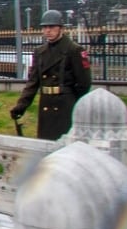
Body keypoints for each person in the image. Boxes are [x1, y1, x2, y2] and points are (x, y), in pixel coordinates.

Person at [9, 9, 91, 140]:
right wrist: (21, 106)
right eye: (45, 27)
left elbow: (84, 83)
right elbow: (32, 83)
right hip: (46, 104)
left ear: (61, 28)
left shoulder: (74, 50)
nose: (48, 30)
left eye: (52, 27)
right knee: (45, 143)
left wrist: (70, 100)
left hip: (65, 105)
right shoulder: (40, 52)